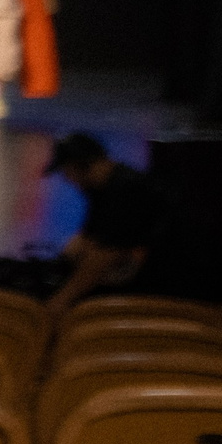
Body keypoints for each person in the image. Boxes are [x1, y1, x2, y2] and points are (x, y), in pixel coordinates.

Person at [44, 131, 164, 313]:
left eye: (67, 172)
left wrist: (59, 301)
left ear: (80, 166)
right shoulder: (102, 190)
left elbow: (105, 254)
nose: (67, 180)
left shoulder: (124, 190)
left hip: (162, 279)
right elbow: (84, 241)